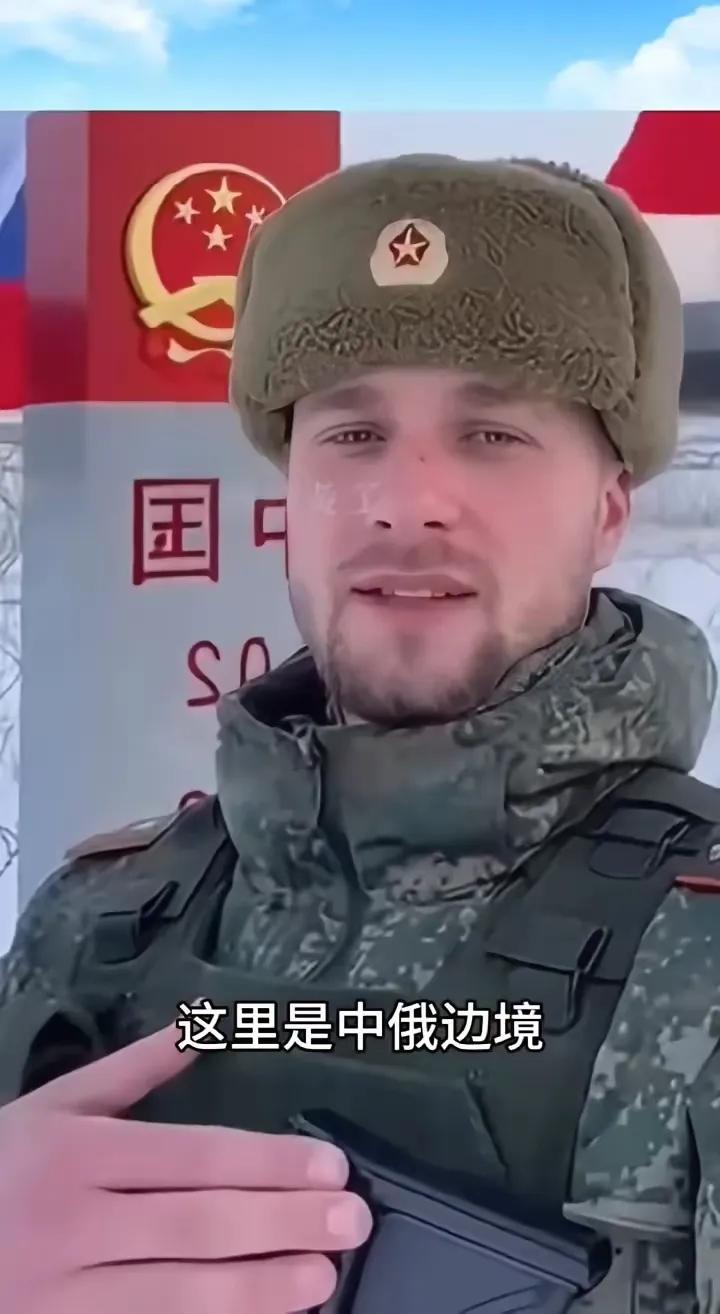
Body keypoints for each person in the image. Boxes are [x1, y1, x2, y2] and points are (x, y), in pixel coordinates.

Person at [1, 152, 719, 1314]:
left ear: (607, 513)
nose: (405, 501)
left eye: (492, 434)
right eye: (351, 435)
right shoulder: (95, 923)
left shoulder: (704, 959)